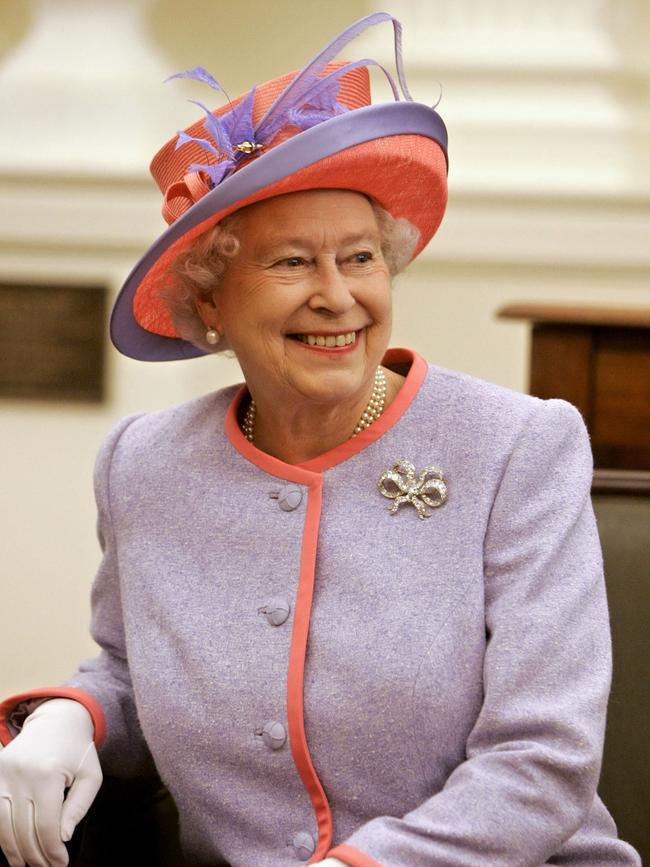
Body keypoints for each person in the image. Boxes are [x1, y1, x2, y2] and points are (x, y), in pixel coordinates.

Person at [0, 13, 641, 867]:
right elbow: (127, 667)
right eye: (291, 263)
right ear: (211, 303)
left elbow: (545, 759)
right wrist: (73, 715)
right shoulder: (144, 463)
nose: (338, 297)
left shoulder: (518, 447)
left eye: (362, 258)